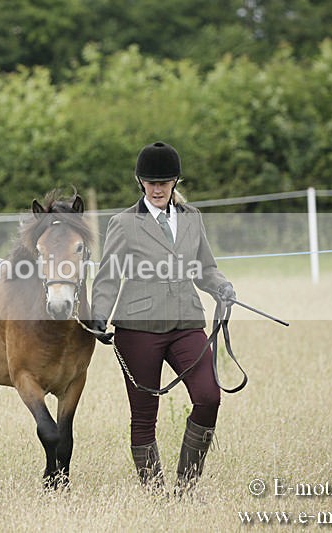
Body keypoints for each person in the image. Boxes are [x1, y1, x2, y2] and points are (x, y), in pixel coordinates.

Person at [84, 141, 236, 497]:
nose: (157, 188)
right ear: (140, 182)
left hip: (186, 322)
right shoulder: (124, 223)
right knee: (144, 415)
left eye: (164, 182)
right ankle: (155, 494)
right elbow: (108, 275)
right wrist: (99, 316)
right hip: (138, 329)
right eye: (150, 182)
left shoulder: (192, 218)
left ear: (175, 182)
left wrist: (222, 287)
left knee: (209, 396)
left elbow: (205, 269)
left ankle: (185, 488)